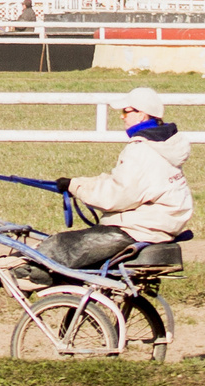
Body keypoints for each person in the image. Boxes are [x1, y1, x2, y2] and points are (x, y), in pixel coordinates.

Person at [44, 86, 192, 272]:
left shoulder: (141, 150)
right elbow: (123, 183)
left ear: (141, 115)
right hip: (159, 223)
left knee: (54, 249)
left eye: (125, 111)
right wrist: (77, 183)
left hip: (139, 229)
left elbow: (117, 196)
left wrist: (76, 188)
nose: (122, 117)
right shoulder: (164, 145)